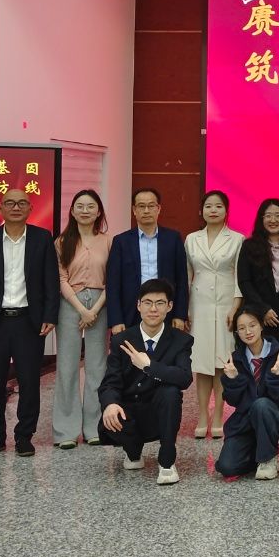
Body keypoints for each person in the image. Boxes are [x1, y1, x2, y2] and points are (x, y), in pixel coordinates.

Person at [0, 188, 60, 458]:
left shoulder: (42, 238)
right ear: (0, 209)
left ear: (30, 208)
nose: (16, 207)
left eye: (22, 203)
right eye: (10, 203)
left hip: (28, 322)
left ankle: (24, 436)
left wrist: (50, 315)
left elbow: (51, 281)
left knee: (29, 382)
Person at [97, 278, 193, 485]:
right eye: (148, 302)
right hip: (130, 412)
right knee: (113, 410)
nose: (153, 309)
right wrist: (110, 404)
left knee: (171, 392)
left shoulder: (180, 340)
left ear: (169, 306)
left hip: (160, 413)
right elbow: (110, 382)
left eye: (160, 303)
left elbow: (185, 377)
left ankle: (167, 463)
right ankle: (133, 451)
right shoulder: (121, 340)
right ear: (138, 305)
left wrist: (149, 365)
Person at [52, 189, 111, 449]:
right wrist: (81, 308)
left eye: (90, 206)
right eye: (80, 206)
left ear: (98, 212)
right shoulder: (61, 242)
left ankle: (94, 428)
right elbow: (61, 278)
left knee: (97, 367)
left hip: (101, 304)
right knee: (67, 367)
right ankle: (65, 431)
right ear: (72, 211)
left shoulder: (108, 241)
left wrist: (94, 309)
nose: (85, 210)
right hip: (69, 303)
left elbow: (112, 279)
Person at [185, 190, 243, 440]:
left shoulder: (237, 239)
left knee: (221, 362)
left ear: (226, 211)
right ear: (201, 211)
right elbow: (187, 276)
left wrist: (235, 308)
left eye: (218, 206)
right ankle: (202, 415)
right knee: (201, 364)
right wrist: (186, 310)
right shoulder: (191, 239)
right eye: (208, 206)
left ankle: (218, 414)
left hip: (225, 305)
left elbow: (240, 277)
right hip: (200, 305)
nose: (213, 210)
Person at [217, 306, 279, 480]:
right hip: (245, 421)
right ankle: (259, 452)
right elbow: (233, 401)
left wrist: (276, 377)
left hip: (273, 416)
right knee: (227, 467)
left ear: (261, 325)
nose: (248, 332)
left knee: (261, 405)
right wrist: (233, 379)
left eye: (252, 325)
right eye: (242, 328)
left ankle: (268, 458)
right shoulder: (235, 359)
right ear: (237, 332)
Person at [106, 187, 189, 334]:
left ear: (158, 209)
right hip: (131, 311)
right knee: (131, 349)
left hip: (166, 310)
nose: (146, 211)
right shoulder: (121, 241)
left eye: (151, 206)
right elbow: (113, 283)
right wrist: (116, 320)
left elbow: (182, 279)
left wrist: (180, 314)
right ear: (134, 210)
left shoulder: (173, 239)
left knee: (165, 348)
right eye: (141, 206)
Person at [237, 198, 279, 348]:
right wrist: (263, 309)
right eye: (268, 216)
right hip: (258, 317)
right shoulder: (249, 246)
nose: (273, 220)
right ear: (261, 219)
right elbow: (244, 281)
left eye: (278, 215)